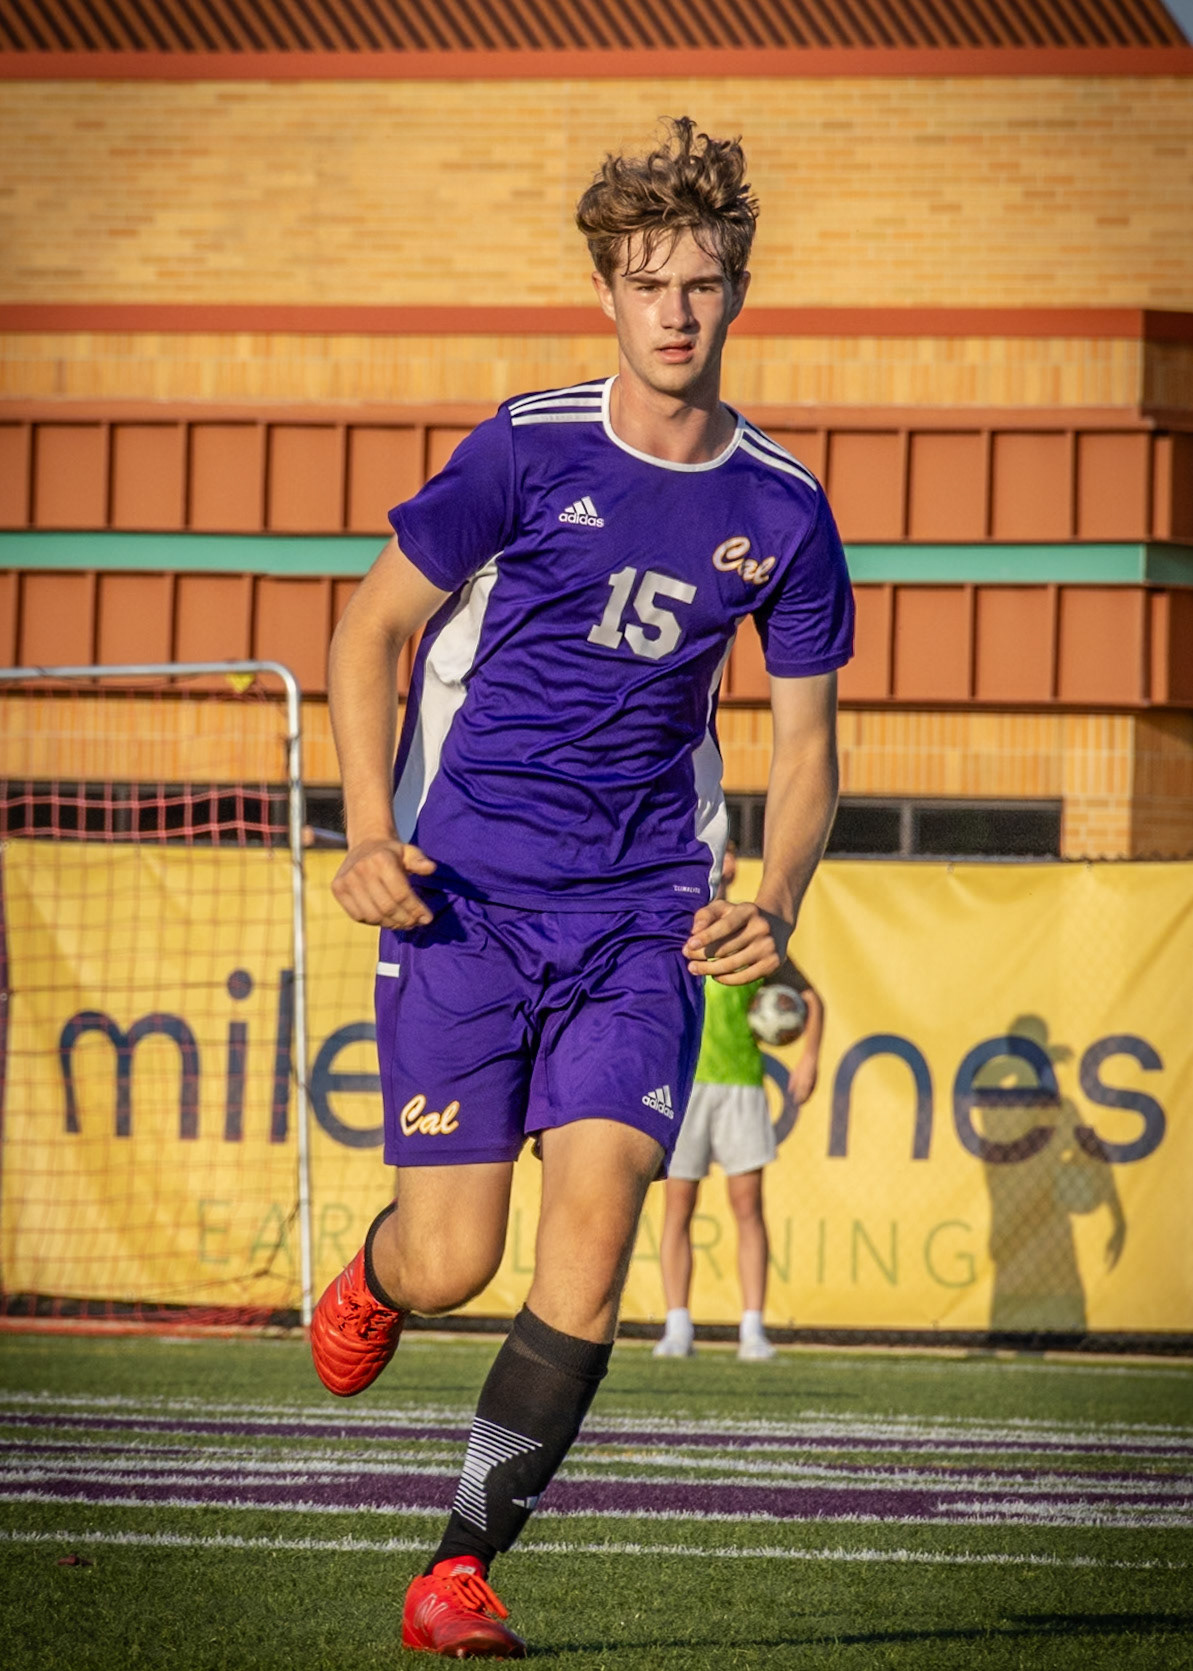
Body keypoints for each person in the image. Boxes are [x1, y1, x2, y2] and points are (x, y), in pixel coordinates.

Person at [311, 115, 853, 1660]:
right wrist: (364, 830)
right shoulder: (527, 446)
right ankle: (375, 1272)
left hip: (638, 919)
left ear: (738, 291)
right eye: (647, 283)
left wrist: (784, 897)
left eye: (702, 282)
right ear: (606, 293)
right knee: (452, 1260)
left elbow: (806, 749)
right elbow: (367, 636)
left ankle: (460, 1567)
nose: (676, 310)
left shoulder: (785, 508)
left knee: (597, 1234)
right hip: (462, 899)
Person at [654, 841, 824, 1362]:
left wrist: (809, 1056)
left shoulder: (747, 928)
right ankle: (677, 1324)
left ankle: (752, 1328)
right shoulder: (674, 925)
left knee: (748, 1206)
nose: (722, 863)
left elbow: (811, 997)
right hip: (685, 1082)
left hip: (742, 1084)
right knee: (678, 1205)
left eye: (728, 855)